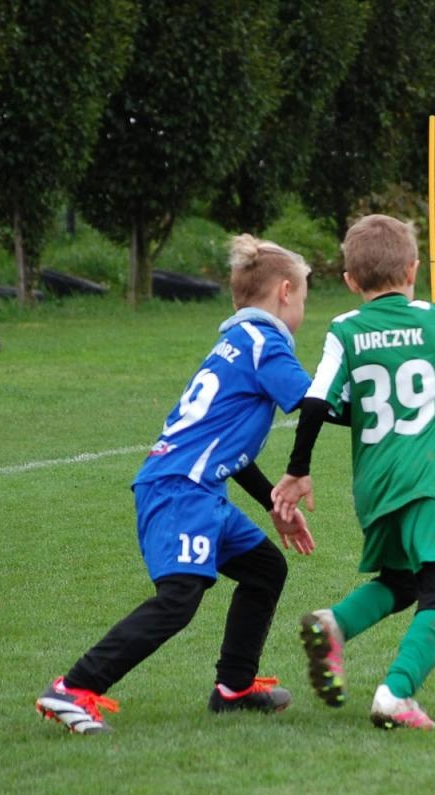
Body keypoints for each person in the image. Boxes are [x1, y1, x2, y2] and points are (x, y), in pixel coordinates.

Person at [35, 235, 316, 735]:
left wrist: (273, 499)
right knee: (179, 597)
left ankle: (233, 687)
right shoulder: (264, 343)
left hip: (193, 486)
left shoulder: (234, 342)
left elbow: (226, 448)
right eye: (306, 298)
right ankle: (73, 689)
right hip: (182, 490)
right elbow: (316, 404)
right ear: (286, 291)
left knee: (264, 569)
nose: (304, 310)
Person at [272, 213, 435, 731]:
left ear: (351, 281)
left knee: (402, 581)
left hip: (373, 485)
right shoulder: (433, 319)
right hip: (426, 480)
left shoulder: (344, 329)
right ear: (413, 268)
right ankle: (395, 693)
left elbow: (316, 401)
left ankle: (334, 626)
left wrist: (298, 470)